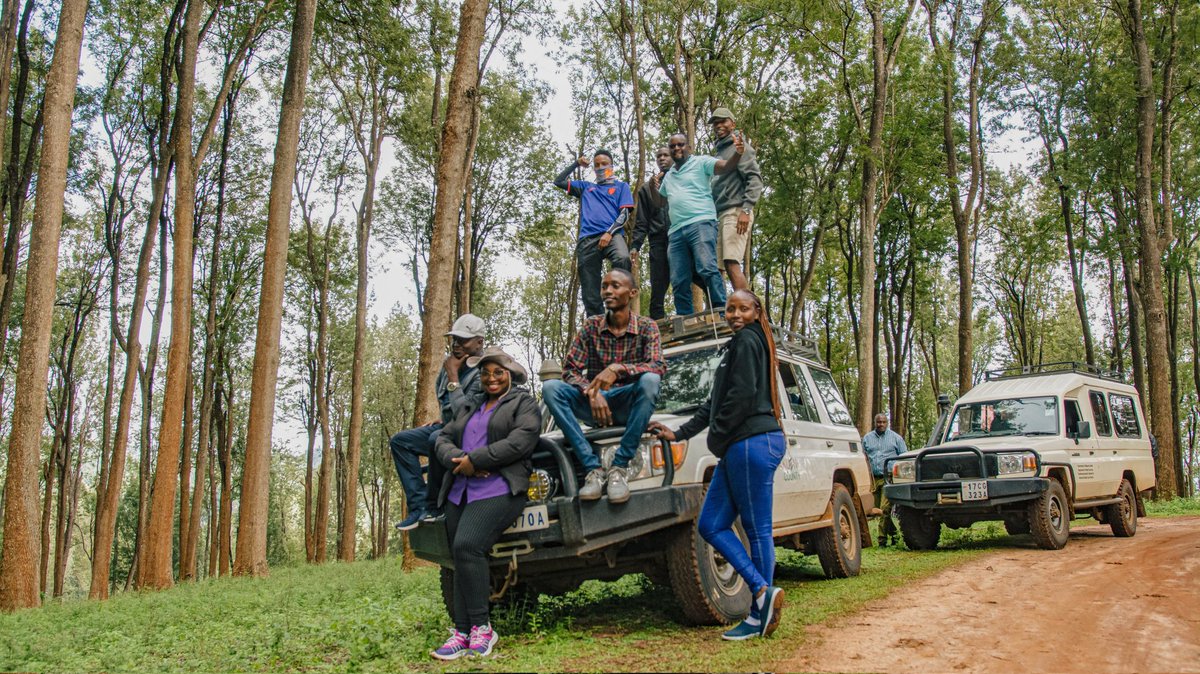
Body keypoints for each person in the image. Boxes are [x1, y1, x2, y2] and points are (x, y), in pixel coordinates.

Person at [648, 290, 786, 640]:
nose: (735, 314)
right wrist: (679, 433)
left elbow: (740, 397)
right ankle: (761, 591)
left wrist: (718, 438)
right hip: (742, 445)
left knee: (757, 530)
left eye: (743, 308)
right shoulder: (735, 347)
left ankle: (759, 613)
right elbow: (713, 403)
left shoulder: (749, 342)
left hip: (752, 441)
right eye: (730, 308)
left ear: (757, 312)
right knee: (711, 524)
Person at [430, 347, 541, 660]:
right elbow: (442, 437)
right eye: (485, 373)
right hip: (460, 490)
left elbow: (521, 442)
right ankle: (461, 631)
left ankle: (482, 627)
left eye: (497, 372)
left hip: (500, 487)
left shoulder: (524, 402)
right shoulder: (472, 405)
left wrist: (475, 459)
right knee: (457, 557)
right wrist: (457, 459)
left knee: (468, 546)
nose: (490, 379)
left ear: (510, 374)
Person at [541, 268, 664, 504]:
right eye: (604, 286)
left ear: (632, 293)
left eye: (615, 286)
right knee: (551, 388)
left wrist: (620, 368)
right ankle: (593, 469)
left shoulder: (648, 327)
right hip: (595, 406)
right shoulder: (590, 327)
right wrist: (592, 392)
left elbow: (658, 366)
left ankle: (619, 467)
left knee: (650, 379)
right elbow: (570, 371)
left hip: (629, 404)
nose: (607, 291)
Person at [390, 314, 486, 530]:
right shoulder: (448, 367)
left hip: (471, 433)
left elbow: (465, 413)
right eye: (455, 339)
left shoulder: (484, 371)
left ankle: (435, 506)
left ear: (479, 342)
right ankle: (419, 507)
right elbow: (449, 407)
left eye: (464, 340)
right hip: (448, 427)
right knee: (400, 441)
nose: (457, 345)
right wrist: (444, 418)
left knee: (436, 439)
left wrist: (453, 376)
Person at [649, 131, 745, 315]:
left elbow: (725, 167)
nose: (676, 148)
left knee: (707, 268)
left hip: (701, 223)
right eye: (673, 146)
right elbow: (660, 202)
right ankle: (685, 318)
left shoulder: (701, 162)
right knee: (678, 278)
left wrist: (738, 153)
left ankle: (721, 311)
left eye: (680, 144)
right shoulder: (669, 176)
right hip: (676, 232)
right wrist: (654, 188)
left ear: (688, 148)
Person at [553, 149, 635, 317]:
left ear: (611, 165)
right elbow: (558, 181)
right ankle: (597, 323)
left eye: (604, 164)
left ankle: (619, 309)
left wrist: (609, 233)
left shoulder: (621, 186)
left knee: (622, 258)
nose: (600, 167)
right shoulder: (586, 187)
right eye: (596, 165)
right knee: (589, 287)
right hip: (587, 240)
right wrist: (576, 163)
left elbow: (625, 213)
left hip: (611, 235)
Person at [708, 108, 763, 292]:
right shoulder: (719, 152)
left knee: (731, 263)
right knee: (716, 269)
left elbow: (754, 179)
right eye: (715, 123)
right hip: (719, 214)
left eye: (723, 121)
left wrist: (746, 210)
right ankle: (721, 312)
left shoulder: (740, 147)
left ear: (733, 123)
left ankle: (750, 314)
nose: (719, 126)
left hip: (736, 211)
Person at [631, 146, 675, 319]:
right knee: (658, 286)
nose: (662, 158)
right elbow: (641, 221)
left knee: (689, 279)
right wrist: (635, 246)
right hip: (657, 242)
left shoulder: (681, 180)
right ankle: (657, 329)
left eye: (666, 155)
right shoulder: (646, 189)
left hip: (679, 237)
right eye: (659, 156)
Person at [863, 413, 908, 547]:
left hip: (889, 478)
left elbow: (904, 457)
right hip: (873, 479)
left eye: (883, 422)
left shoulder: (896, 438)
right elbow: (862, 456)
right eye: (878, 422)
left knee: (884, 509)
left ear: (887, 423)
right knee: (874, 510)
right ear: (874, 423)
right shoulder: (867, 438)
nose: (881, 424)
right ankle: (894, 535)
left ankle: (881, 540)